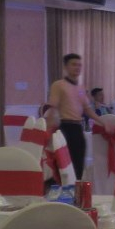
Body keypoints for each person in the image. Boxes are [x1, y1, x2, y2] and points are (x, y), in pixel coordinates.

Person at [45, 53, 101, 181]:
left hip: (78, 129)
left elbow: (87, 109)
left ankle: (77, 189)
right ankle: (64, 190)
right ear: (65, 67)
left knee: (78, 163)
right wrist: (48, 132)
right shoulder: (59, 85)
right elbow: (53, 108)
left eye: (79, 65)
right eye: (74, 64)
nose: (77, 68)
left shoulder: (81, 87)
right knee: (64, 165)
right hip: (65, 128)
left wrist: (102, 121)